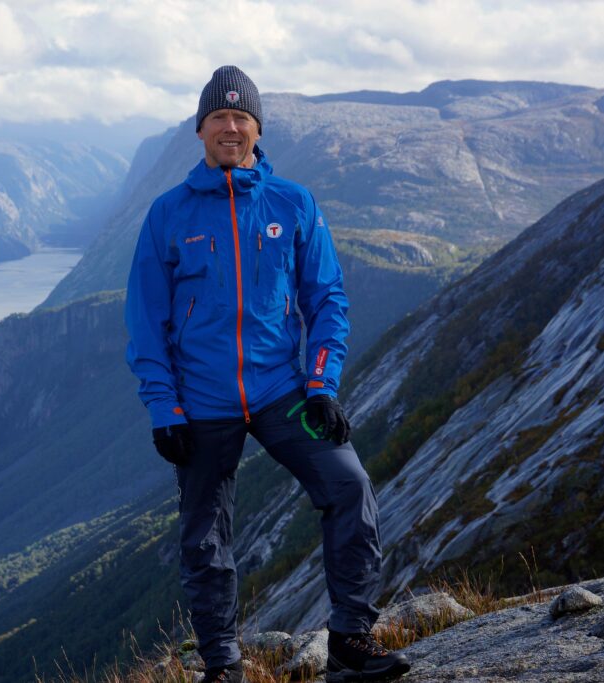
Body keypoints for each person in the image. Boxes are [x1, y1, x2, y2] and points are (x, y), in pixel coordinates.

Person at [125, 65, 411, 683]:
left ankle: (350, 642)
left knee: (349, 487)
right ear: (200, 130)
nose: (230, 128)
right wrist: (163, 408)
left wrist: (322, 384)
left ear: (257, 130)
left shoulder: (293, 203)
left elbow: (327, 299)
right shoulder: (167, 215)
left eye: (242, 118)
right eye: (219, 118)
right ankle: (223, 667)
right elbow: (145, 323)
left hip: (284, 392)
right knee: (206, 537)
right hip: (201, 401)